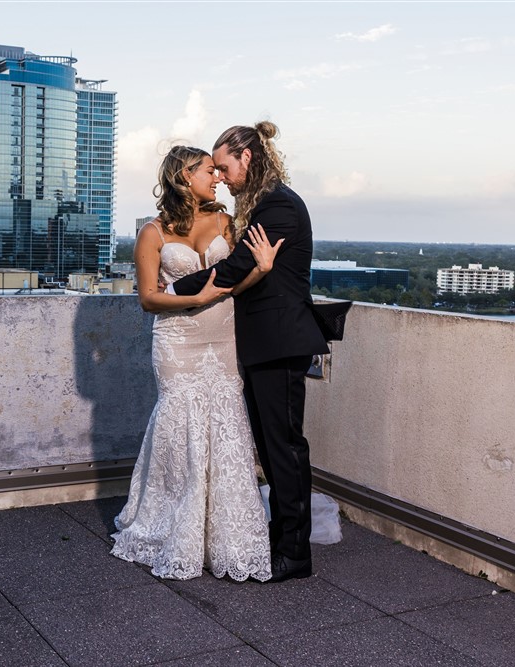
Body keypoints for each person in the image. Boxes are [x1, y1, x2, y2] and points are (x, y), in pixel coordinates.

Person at [168, 122, 331, 582]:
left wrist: (176, 286)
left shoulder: (278, 205)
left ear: (248, 157)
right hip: (265, 343)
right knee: (273, 446)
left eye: (224, 167)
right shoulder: (262, 203)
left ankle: (294, 553)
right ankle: (283, 540)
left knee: (284, 449)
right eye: (213, 169)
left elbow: (237, 266)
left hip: (280, 342)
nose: (220, 176)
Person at [110, 146, 281, 581]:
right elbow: (148, 298)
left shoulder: (227, 221)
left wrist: (261, 269)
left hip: (222, 336)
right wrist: (196, 298)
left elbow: (237, 281)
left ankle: (224, 534)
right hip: (177, 340)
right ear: (185, 176)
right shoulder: (152, 233)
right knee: (179, 421)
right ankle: (170, 525)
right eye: (210, 170)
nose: (218, 177)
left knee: (225, 422)